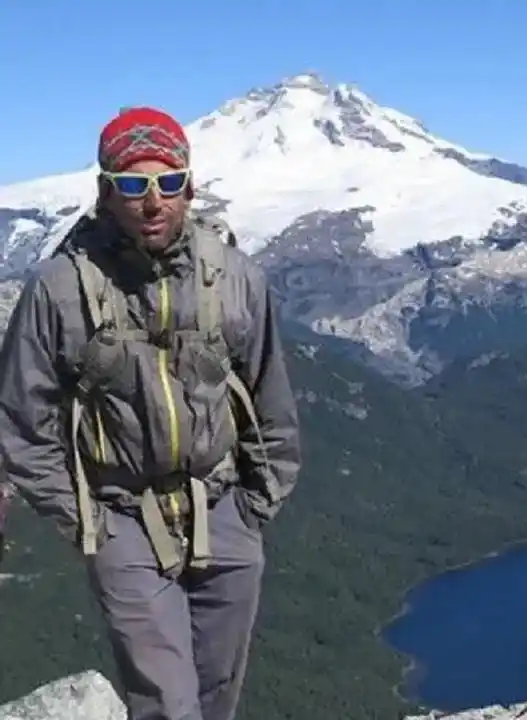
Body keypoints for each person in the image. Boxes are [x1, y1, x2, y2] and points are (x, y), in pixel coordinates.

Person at [0, 106, 302, 720]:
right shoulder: (60, 289)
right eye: (133, 185)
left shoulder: (235, 277)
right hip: (122, 519)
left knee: (218, 694)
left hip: (224, 511)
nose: (153, 200)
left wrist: (254, 505)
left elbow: (271, 396)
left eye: (168, 182)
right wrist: (87, 523)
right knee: (167, 701)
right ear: (106, 193)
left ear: (190, 187)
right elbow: (21, 423)